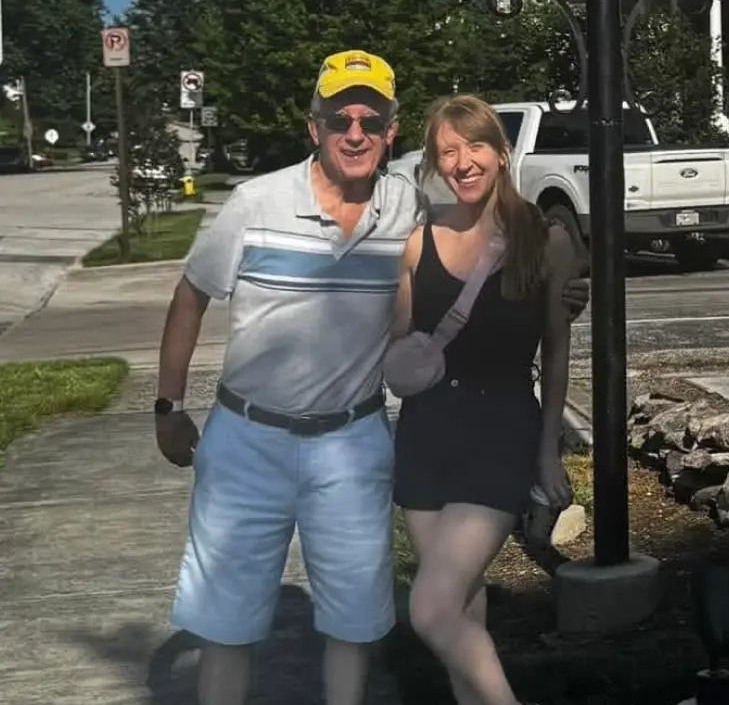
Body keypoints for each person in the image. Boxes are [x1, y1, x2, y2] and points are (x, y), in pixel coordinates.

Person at [153, 54, 589, 705]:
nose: (354, 132)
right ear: (315, 127)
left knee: (367, 625)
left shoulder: (408, 210)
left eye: (370, 120)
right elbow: (192, 295)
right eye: (340, 119)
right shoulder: (259, 203)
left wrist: (562, 295)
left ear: (390, 131)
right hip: (252, 441)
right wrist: (167, 404)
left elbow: (509, 296)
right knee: (228, 626)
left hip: (352, 447)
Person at [391, 94, 577, 705]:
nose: (462, 162)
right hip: (425, 437)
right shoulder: (419, 243)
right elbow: (397, 344)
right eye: (447, 152)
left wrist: (547, 450)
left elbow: (556, 353)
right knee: (460, 609)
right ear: (434, 164)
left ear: (502, 152)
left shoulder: (545, 241)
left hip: (500, 433)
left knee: (430, 606)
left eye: (474, 146)